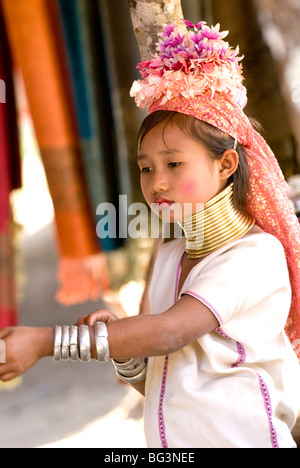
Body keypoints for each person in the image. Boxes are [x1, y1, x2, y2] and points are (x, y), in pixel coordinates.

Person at [1, 19, 300, 448]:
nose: (156, 182)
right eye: (146, 168)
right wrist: (125, 354)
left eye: (174, 164)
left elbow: (168, 332)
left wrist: (47, 341)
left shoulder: (253, 255)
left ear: (226, 165)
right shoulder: (171, 254)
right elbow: (163, 379)